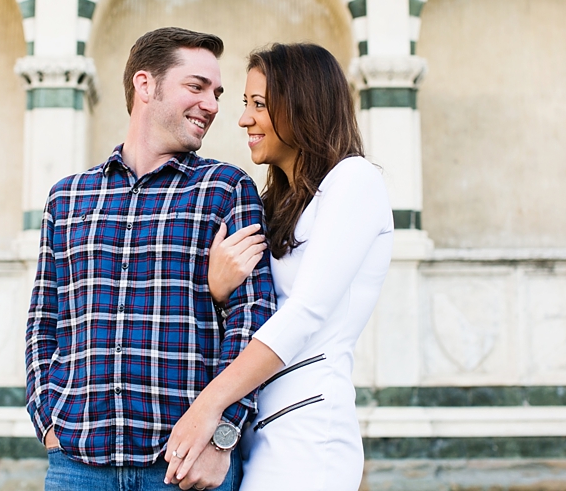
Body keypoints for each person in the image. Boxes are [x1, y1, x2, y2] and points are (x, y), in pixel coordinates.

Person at [25, 27, 276, 491]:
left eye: (217, 94)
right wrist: (48, 424)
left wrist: (222, 438)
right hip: (77, 467)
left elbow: (253, 319)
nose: (212, 105)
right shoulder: (67, 198)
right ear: (145, 85)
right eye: (197, 86)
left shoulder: (225, 190)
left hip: (185, 469)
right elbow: (44, 321)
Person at [164, 43, 394, 491]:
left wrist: (207, 406)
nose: (243, 119)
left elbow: (304, 312)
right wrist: (218, 290)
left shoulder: (354, 180)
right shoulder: (279, 203)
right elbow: (258, 309)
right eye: (245, 104)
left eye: (259, 104)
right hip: (254, 435)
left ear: (302, 105)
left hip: (308, 439)